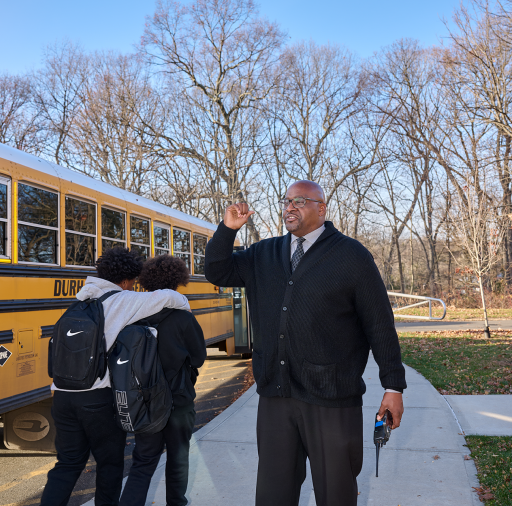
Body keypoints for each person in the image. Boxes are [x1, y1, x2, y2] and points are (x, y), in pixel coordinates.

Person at [204, 180, 407, 506]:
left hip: (332, 400)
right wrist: (227, 229)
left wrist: (393, 387)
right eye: (286, 201)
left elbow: (380, 325)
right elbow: (216, 271)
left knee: (335, 495)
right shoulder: (262, 253)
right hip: (276, 396)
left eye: (299, 201)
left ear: (321, 208)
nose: (290, 207)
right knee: (272, 495)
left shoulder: (351, 256)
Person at [40, 247, 190, 506]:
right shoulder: (122, 301)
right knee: (109, 466)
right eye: (131, 282)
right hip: (97, 400)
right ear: (125, 280)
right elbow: (172, 298)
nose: (132, 287)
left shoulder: (78, 302)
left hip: (62, 397)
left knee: (67, 464)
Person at [119, 255, 206, 506]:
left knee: (144, 460)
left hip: (144, 399)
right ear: (177, 281)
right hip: (178, 399)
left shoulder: (134, 316)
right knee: (178, 457)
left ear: (146, 283)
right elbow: (199, 357)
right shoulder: (184, 318)